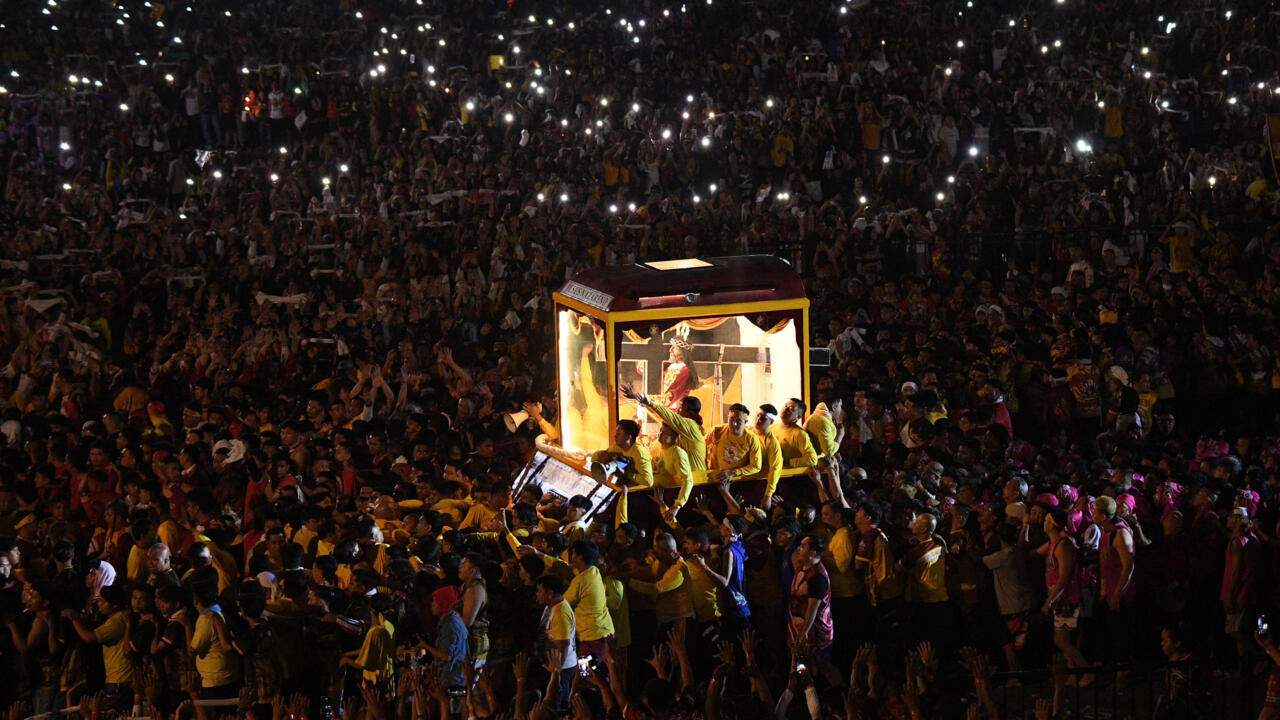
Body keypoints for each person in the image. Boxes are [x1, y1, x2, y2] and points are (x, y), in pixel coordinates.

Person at [1040, 507, 1093, 687]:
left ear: (1054, 524)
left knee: (1061, 640)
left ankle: (1087, 671)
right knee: (1063, 639)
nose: (1044, 523)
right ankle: (1072, 674)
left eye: (1047, 521)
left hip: (1066, 599)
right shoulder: (1052, 544)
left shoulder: (1063, 545)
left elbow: (1064, 577)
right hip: (1060, 599)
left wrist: (1050, 601)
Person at [61, 584, 134, 712]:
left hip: (120, 679)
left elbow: (89, 638)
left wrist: (74, 619)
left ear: (115, 605)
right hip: (117, 677)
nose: (99, 604)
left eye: (103, 601)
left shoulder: (117, 620)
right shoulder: (114, 619)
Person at [623, 386, 707, 472]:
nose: (677, 411)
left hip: (697, 478)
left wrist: (649, 404)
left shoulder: (691, 426)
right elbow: (663, 417)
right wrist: (641, 401)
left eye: (681, 408)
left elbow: (670, 417)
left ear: (690, 412)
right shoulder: (682, 429)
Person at [788, 533, 834, 665]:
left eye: (803, 546)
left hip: (815, 634)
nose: (798, 549)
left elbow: (811, 610)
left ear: (812, 553)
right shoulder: (802, 567)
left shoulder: (817, 577)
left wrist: (802, 637)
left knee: (818, 668)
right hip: (798, 629)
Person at [535, 574, 577, 712]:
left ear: (550, 593)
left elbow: (563, 645)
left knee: (554, 706)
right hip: (554, 667)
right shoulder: (551, 607)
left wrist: (556, 673)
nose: (537, 595)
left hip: (562, 669)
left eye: (540, 591)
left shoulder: (560, 613)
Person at [707, 403, 763, 483]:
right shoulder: (717, 431)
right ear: (728, 418)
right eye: (731, 419)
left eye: (739, 421)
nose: (734, 424)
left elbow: (756, 466)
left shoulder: (751, 439)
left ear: (745, 422)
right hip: (714, 478)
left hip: (737, 481)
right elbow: (701, 447)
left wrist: (734, 472)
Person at [772, 398, 818, 469]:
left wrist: (787, 462)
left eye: (791, 409)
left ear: (798, 417)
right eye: (785, 406)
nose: (785, 409)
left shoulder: (799, 434)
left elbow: (812, 459)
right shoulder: (771, 428)